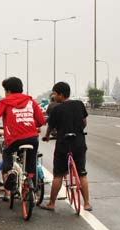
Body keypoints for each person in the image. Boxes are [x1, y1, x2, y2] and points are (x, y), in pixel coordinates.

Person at [0, 77, 45, 201]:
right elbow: (41, 121)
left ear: (8, 91)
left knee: (7, 154)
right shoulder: (31, 101)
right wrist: (28, 123)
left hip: (14, 139)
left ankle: (9, 176)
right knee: (31, 161)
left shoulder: (5, 102)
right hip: (32, 138)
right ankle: (31, 182)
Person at [41, 82, 92, 211]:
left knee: (58, 175)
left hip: (63, 144)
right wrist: (78, 130)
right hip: (79, 142)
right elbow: (84, 122)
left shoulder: (56, 109)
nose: (53, 96)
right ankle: (86, 204)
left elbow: (50, 127)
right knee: (82, 174)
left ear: (60, 95)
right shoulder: (79, 104)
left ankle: (51, 203)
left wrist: (46, 136)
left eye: (54, 93)